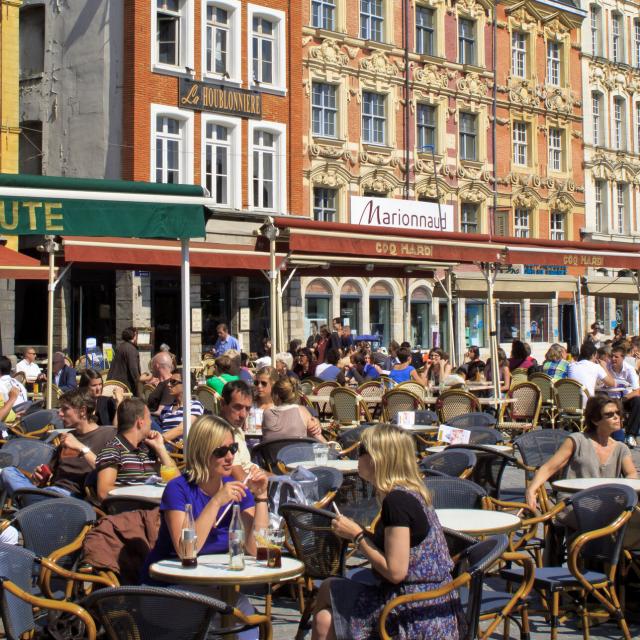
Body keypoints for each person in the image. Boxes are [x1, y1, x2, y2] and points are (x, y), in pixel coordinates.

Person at [312, 424, 462, 639]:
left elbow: (395, 572)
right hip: (435, 602)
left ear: (377, 459)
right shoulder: (412, 492)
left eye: (361, 450)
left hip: (410, 609)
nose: (357, 456)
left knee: (328, 594)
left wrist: (357, 535)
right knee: (324, 618)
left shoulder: (396, 502)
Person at [142, 415, 269, 583]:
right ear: (202, 452)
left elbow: (256, 549)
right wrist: (216, 502)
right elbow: (186, 551)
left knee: (243, 608)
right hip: (170, 584)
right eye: (221, 451)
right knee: (233, 609)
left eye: (233, 448)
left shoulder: (236, 489)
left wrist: (261, 497)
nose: (230, 456)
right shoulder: (178, 489)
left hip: (215, 583)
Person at [525, 395, 636, 513]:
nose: (616, 417)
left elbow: (632, 474)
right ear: (595, 420)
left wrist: (622, 491)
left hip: (605, 503)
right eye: (609, 414)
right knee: (608, 517)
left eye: (618, 413)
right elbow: (549, 467)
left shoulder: (621, 448)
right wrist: (531, 490)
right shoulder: (577, 441)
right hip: (574, 501)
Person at [0, 389, 115, 498]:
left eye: (65, 409)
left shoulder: (108, 434)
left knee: (40, 496)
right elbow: (49, 474)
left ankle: (29, 502)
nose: (59, 413)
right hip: (51, 492)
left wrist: (81, 448)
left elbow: (107, 470)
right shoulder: (68, 436)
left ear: (82, 411)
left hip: (73, 498)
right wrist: (39, 477)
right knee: (7, 472)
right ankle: (31, 501)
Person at [96, 398, 177, 501]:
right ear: (140, 422)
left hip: (158, 509)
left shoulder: (150, 449)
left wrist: (160, 448)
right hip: (131, 512)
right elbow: (103, 492)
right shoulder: (112, 450)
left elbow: (177, 481)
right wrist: (143, 493)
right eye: (149, 418)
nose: (151, 422)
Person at [262, 378, 324, 443]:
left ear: (275, 395)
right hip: (297, 452)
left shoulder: (267, 413)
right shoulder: (303, 411)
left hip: (272, 453)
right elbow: (321, 441)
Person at [219, 380, 256, 478]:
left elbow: (248, 466)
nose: (243, 415)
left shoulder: (237, 429)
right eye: (237, 407)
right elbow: (240, 478)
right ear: (222, 404)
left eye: (247, 409)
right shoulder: (221, 433)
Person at [608, 346, 640, 447]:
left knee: (638, 401)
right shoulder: (607, 367)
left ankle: (630, 434)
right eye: (612, 356)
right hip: (609, 398)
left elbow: (637, 390)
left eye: (616, 357)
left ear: (623, 358)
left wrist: (622, 399)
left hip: (624, 399)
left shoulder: (629, 370)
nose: (613, 359)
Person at [159, 372, 205, 442]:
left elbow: (182, 428)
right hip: (162, 445)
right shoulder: (166, 408)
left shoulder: (194, 405)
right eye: (169, 381)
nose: (168, 385)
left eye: (173, 382)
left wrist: (158, 440)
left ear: (185, 385)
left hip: (177, 447)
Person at [107, 327, 140, 394]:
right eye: (136, 335)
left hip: (113, 383)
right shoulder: (131, 349)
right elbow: (134, 371)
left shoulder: (120, 347)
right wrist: (140, 381)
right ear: (134, 336)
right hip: (124, 387)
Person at [142, 351, 175, 418]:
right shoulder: (163, 383)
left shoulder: (169, 384)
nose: (151, 370)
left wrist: (143, 415)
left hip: (156, 421)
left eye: (152, 366)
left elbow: (160, 412)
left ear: (157, 366)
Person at [250, 366, 278, 430]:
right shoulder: (249, 405)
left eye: (263, 383)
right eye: (256, 383)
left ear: (273, 384)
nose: (259, 386)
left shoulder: (279, 407)